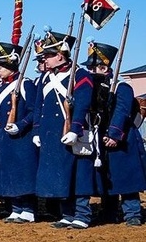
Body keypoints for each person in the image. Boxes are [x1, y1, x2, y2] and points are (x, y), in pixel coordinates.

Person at [33, 30, 100, 229]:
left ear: (60, 56)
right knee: (58, 175)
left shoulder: (80, 74)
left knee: (78, 175)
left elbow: (83, 103)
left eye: (48, 54)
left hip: (71, 132)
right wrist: (37, 131)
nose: (45, 58)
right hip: (50, 133)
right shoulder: (46, 78)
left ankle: (82, 214)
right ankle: (67, 213)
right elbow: (39, 106)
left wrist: (76, 128)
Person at [87, 41, 146, 227]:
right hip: (100, 137)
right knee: (107, 178)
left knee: (127, 178)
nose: (90, 71)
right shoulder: (94, 90)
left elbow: (122, 110)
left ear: (104, 68)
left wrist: (114, 134)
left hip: (122, 138)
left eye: (93, 67)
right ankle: (109, 212)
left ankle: (133, 213)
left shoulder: (121, 87)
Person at [0, 41, 39, 223]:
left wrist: (21, 124)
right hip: (4, 138)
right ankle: (15, 208)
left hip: (21, 138)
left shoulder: (25, 84)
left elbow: (34, 111)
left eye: (1, 66)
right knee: (9, 173)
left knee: (23, 173)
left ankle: (28, 209)